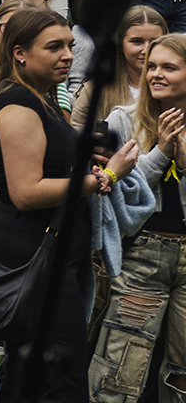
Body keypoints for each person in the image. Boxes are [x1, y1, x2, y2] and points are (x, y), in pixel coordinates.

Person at [0, 7, 105, 401]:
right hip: (33, 257)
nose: (68, 54)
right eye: (53, 47)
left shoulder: (40, 98)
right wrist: (103, 178)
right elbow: (26, 192)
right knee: (60, 384)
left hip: (46, 256)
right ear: (19, 52)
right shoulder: (17, 105)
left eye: (69, 45)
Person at [89, 33, 186, 402]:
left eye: (169, 67)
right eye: (152, 67)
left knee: (182, 370)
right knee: (120, 368)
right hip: (140, 255)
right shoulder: (124, 120)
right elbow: (116, 192)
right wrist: (161, 152)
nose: (155, 75)